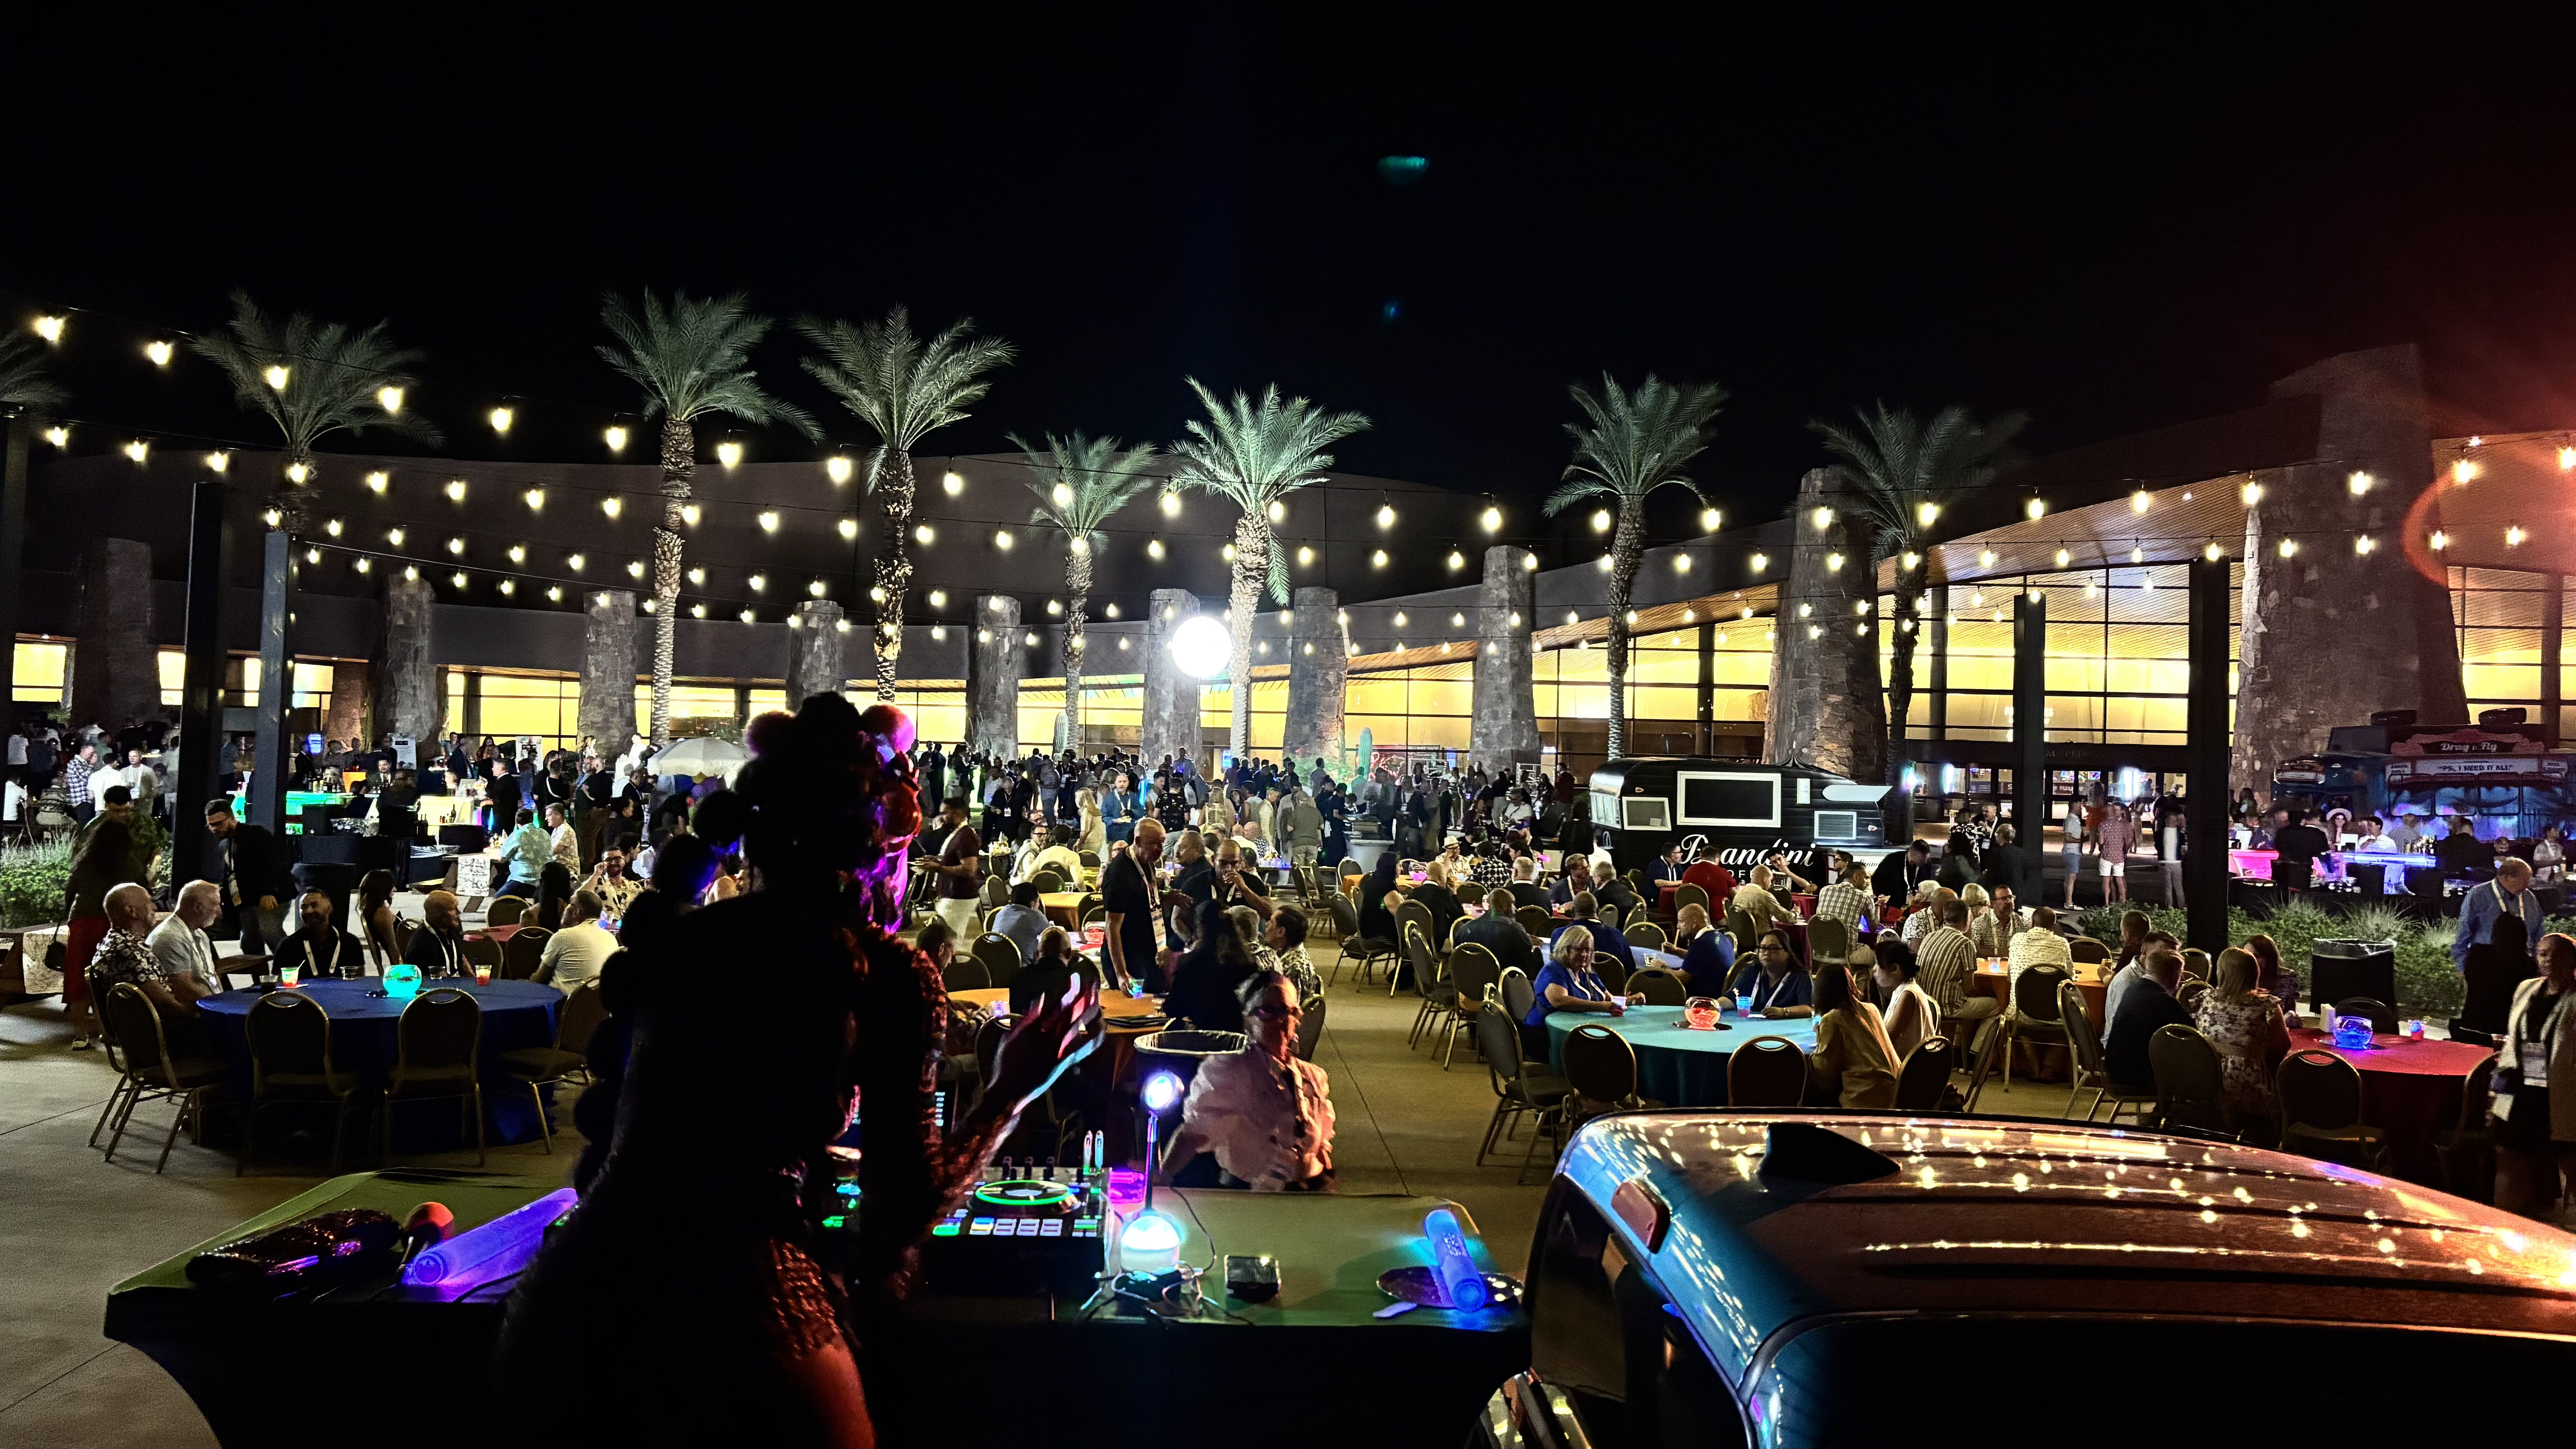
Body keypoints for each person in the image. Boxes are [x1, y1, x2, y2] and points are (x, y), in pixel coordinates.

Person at [1159, 969, 1335, 1191]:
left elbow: (1320, 1146)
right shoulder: (1233, 1069)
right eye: (1266, 1012)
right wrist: (1162, 1179)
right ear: (1248, 1019)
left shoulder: (1313, 1076)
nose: (1278, 1021)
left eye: (1285, 1011)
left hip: (1310, 1194)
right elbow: (1193, 1135)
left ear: (1297, 1017)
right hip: (1252, 1198)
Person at [2493, 931, 2576, 1215]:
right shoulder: (2526, 989)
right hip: (2521, 1084)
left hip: (2559, 1091)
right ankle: (2505, 1220)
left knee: (2566, 1157)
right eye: (2543, 953)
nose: (2548, 959)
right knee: (2509, 1153)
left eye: (2556, 954)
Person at [87, 884, 212, 1040]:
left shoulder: (115, 942)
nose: (155, 907)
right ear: (132, 911)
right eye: (149, 902)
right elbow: (167, 1006)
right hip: (156, 1032)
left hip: (148, 1027)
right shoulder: (127, 951)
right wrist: (205, 1013)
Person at [2195, 947, 2291, 1125]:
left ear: (2221, 973)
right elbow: (2283, 1047)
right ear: (2254, 974)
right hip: (2249, 1088)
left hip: (2205, 1083)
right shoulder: (2267, 1005)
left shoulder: (2204, 999)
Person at [1522, 925, 1640, 1055]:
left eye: (1588, 950)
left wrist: (1629, 1001)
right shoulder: (1554, 970)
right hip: (1546, 1038)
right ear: (1566, 948)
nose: (1585, 954)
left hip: (1575, 1034)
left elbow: (1608, 999)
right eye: (1579, 949)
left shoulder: (1586, 971)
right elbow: (1560, 1001)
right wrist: (1603, 1007)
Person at [1807, 961, 1899, 1108]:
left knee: (1812, 1094)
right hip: (1896, 1093)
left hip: (1866, 1098)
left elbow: (1823, 1071)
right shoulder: (1872, 1009)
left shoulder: (1833, 1019)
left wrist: (1820, 1036)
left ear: (1821, 992)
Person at [1164, 897, 1261, 1034]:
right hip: (1240, 1039)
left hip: (1204, 1039)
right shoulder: (1248, 962)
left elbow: (1174, 1008)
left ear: (1201, 928)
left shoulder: (1192, 964)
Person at [206, 797, 290, 953]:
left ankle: (293, 963)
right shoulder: (225, 845)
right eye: (211, 825)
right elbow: (230, 876)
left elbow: (274, 862)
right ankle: (263, 969)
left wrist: (268, 892)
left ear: (231, 818)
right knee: (250, 941)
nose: (215, 829)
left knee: (269, 930)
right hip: (248, 900)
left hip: (271, 894)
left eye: (219, 824)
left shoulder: (255, 834)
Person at [1912, 896, 1995, 1049]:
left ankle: (1959, 1048)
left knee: (1976, 1005)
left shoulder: (1930, 937)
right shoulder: (1965, 944)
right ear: (1966, 919)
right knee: (1996, 1006)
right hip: (1948, 1007)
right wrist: (1988, 994)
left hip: (1924, 1002)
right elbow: (1968, 989)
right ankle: (1975, 1054)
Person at [2104, 948, 2193, 1088]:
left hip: (2115, 1070)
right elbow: (2193, 1034)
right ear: (2175, 976)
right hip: (2138, 1079)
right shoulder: (2163, 1002)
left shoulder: (2132, 989)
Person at [1098, 817, 1166, 994]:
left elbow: (1144, 897)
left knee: (1153, 1002)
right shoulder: (1119, 875)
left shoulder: (1146, 860)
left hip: (1145, 952)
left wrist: (1167, 897)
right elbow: (1112, 927)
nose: (1160, 848)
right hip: (1128, 959)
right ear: (1138, 841)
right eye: (1155, 843)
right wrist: (1122, 974)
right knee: (1136, 1004)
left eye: (1162, 842)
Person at [2456, 856, 2544, 972]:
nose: (2527, 885)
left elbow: (2539, 934)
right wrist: (2465, 969)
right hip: (2487, 969)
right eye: (2524, 881)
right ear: (2507, 878)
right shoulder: (2478, 896)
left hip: (2522, 970)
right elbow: (2463, 936)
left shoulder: (2529, 898)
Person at [2460, 912, 2537, 1042]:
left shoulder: (2478, 954)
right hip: (2504, 1026)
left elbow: (2469, 979)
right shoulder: (2528, 965)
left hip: (2472, 1021)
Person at [919, 797, 985, 942]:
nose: (941, 817)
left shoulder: (965, 836)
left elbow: (970, 869)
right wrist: (936, 860)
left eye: (945, 813)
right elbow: (954, 860)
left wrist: (939, 868)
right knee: (947, 941)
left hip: (958, 897)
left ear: (957, 813)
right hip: (952, 896)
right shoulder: (958, 833)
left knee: (946, 941)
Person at [147, 880, 225, 994]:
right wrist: (218, 1001)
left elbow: (210, 975)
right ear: (198, 907)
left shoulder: (200, 934)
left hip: (209, 1001)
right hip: (195, 1004)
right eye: (215, 904)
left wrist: (220, 995)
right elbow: (184, 989)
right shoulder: (170, 937)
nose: (219, 912)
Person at [538, 889, 619, 993]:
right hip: (599, 1001)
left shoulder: (563, 936)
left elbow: (539, 979)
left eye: (570, 903)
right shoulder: (611, 938)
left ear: (577, 912)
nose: (565, 907)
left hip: (564, 1001)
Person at [1872, 942, 1940, 1059]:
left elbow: (1888, 1038)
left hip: (1910, 1065)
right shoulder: (1901, 990)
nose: (1874, 969)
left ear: (1895, 969)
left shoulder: (1908, 995)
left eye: (1878, 964)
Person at [1730, 928, 1814, 1018]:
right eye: (1763, 948)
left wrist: (1784, 1012)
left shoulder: (1800, 977)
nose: (1767, 953)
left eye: (1774, 948)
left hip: (1785, 1025)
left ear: (1788, 952)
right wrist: (1719, 1005)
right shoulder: (1752, 971)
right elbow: (1731, 999)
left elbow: (1809, 1010)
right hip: (1752, 1023)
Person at [1457, 886, 1539, 975]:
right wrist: (1537, 950)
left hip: (1470, 977)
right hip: (1504, 979)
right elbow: (1531, 968)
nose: (1515, 908)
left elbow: (1457, 957)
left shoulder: (1466, 928)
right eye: (1513, 904)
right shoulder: (1515, 929)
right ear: (1506, 906)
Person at [1555, 892, 1639, 976]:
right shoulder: (1618, 936)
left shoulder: (1560, 935)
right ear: (1598, 911)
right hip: (1616, 984)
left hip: (1571, 984)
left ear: (1572, 912)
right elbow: (1631, 971)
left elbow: (1557, 971)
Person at [1007, 926, 1085, 1015]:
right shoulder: (1076, 982)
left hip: (1028, 1024)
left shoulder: (1018, 978)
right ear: (1069, 954)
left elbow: (1015, 1018)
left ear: (1037, 954)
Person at [404, 889, 474, 980]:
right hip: (434, 986)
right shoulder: (421, 944)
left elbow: (461, 957)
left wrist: (473, 979)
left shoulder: (452, 929)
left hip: (457, 982)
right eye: (453, 909)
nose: (458, 913)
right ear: (437, 914)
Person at [1265, 906, 1321, 1001]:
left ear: (1281, 932)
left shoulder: (1293, 967)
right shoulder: (1292, 952)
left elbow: (1287, 1007)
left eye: (1271, 922)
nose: (1267, 925)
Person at [988, 881, 1049, 966]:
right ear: (1032, 904)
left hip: (992, 965)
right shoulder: (1036, 916)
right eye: (1038, 901)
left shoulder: (1001, 912)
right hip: (1020, 969)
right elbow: (1051, 938)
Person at [1676, 902, 1736, 988]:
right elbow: (1701, 959)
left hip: (1704, 994)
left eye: (1680, 921)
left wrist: (1662, 968)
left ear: (1694, 923)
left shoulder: (1701, 944)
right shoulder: (1722, 937)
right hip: (1722, 990)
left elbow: (1681, 979)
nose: (1678, 926)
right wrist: (1677, 952)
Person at [1814, 861, 1870, 941]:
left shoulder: (1825, 890)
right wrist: (1878, 904)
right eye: (1866, 878)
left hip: (1818, 947)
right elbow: (1873, 928)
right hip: (1846, 948)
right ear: (1856, 877)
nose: (1868, 883)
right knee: (1871, 948)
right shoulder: (1864, 897)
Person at [2095, 800, 2138, 903]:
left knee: (2113, 879)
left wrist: (2125, 851)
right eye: (2114, 809)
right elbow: (2127, 839)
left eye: (2117, 809)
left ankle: (2113, 901)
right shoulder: (2120, 825)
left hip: (2111, 855)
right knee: (2117, 879)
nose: (2115, 811)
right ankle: (2117, 900)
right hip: (2119, 855)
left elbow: (2129, 839)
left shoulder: (2119, 824)